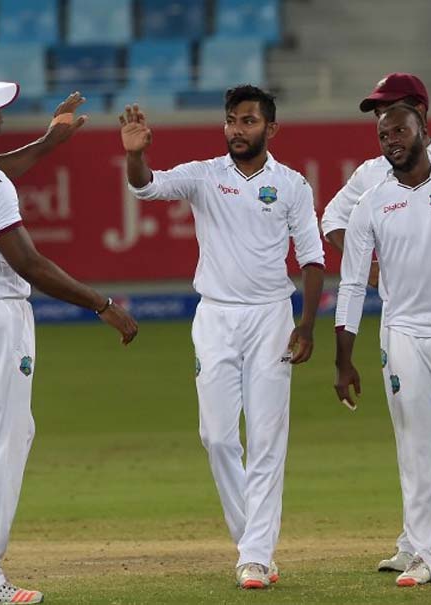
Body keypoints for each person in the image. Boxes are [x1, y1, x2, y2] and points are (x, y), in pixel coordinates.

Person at [0, 66, 138, 605]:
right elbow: (31, 265)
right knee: (3, 444)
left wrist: (48, 142)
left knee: (10, 435)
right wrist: (103, 305)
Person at [120, 85, 325, 590]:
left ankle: (254, 555)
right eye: (232, 120)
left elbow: (313, 259)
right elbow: (146, 187)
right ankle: (250, 542)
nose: (237, 129)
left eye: (249, 121)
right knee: (216, 437)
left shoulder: (293, 185)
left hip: (272, 318)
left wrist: (306, 324)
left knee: (267, 438)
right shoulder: (205, 175)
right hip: (215, 317)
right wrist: (136, 155)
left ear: (270, 129)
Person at [321, 72, 431, 574]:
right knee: (415, 446)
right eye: (380, 124)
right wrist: (381, 270)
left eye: (394, 118)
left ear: (419, 116)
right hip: (403, 328)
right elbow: (337, 233)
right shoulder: (372, 182)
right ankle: (423, 552)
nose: (385, 132)